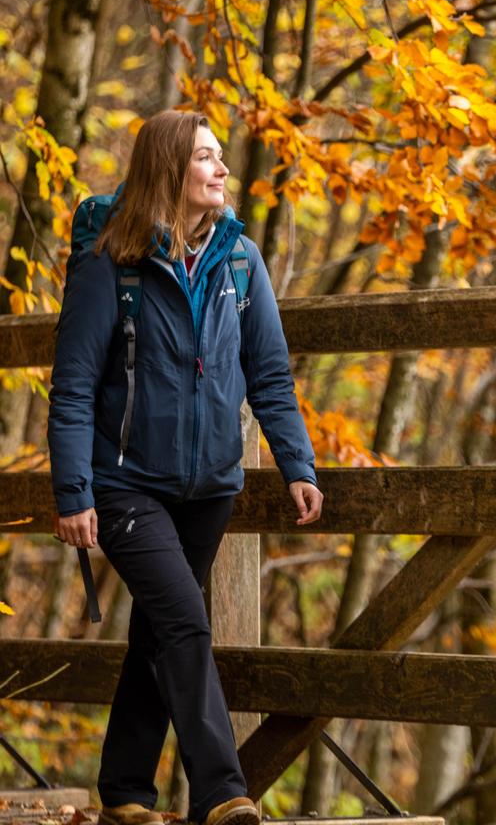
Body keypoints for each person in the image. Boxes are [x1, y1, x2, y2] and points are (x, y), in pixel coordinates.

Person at [47, 109, 324, 825]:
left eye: (220, 157)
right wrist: (75, 490)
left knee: (159, 632)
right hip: (126, 483)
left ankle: (125, 790)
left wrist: (298, 463)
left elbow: (269, 373)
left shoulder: (240, 259)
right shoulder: (113, 259)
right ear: (170, 170)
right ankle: (221, 792)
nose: (222, 169)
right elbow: (74, 382)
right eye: (206, 157)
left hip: (211, 488)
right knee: (186, 624)